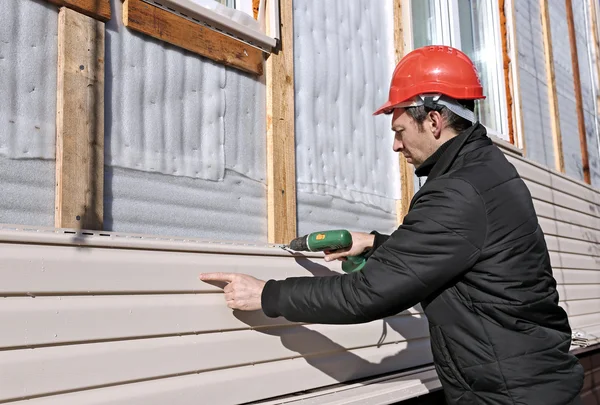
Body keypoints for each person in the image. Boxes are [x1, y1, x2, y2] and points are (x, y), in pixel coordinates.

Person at [199, 45, 584, 405]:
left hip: (508, 395)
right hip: (531, 380)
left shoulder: (458, 191)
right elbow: (457, 252)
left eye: (399, 131)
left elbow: (365, 294)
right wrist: (375, 243)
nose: (396, 146)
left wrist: (268, 294)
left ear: (433, 120)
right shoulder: (485, 171)